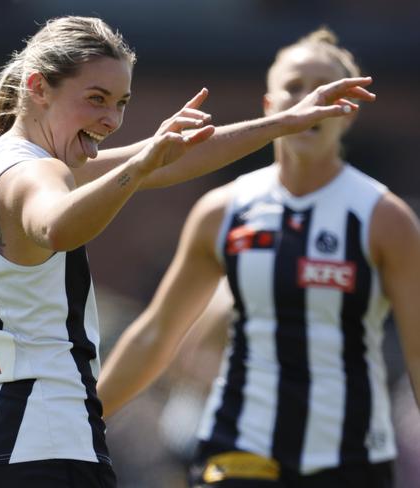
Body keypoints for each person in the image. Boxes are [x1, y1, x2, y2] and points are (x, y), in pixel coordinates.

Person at [0, 16, 377, 488]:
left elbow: (170, 162)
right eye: (96, 99)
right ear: (38, 87)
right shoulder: (36, 173)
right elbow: (56, 226)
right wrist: (142, 164)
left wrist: (282, 123)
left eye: (121, 103)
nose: (112, 119)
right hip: (40, 443)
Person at [97, 26, 420, 488]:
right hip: (240, 451)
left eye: (323, 90)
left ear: (347, 114)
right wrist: (82, 420)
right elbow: (157, 334)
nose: (308, 102)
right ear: (269, 107)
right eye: (293, 88)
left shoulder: (385, 218)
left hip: (349, 458)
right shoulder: (223, 210)